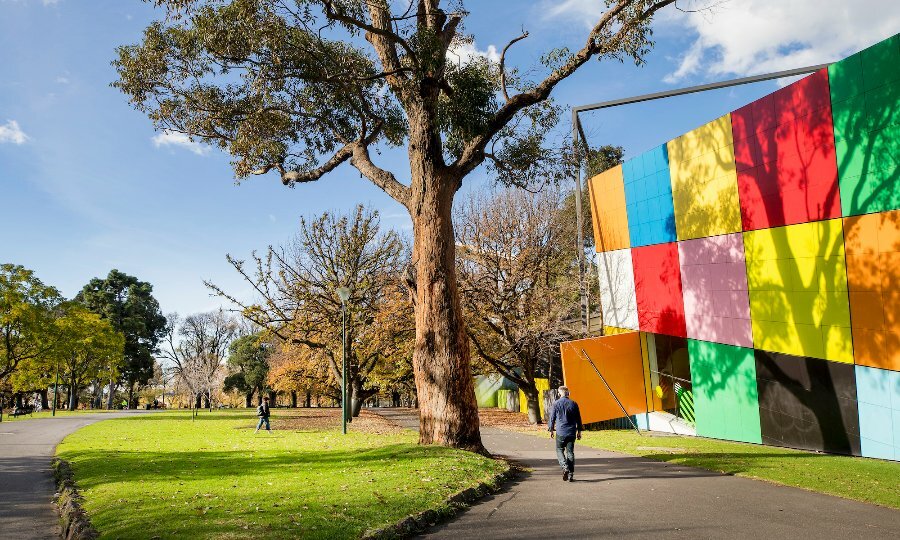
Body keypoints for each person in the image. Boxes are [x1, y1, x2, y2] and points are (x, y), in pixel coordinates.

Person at [547, 385, 583, 482]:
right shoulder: (574, 404)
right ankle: (571, 474)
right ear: (568, 393)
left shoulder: (556, 404)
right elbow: (579, 419)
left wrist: (551, 430)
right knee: (570, 453)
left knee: (559, 450)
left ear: (559, 393)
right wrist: (579, 431)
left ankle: (564, 467)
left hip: (561, 432)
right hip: (571, 432)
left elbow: (552, 418)